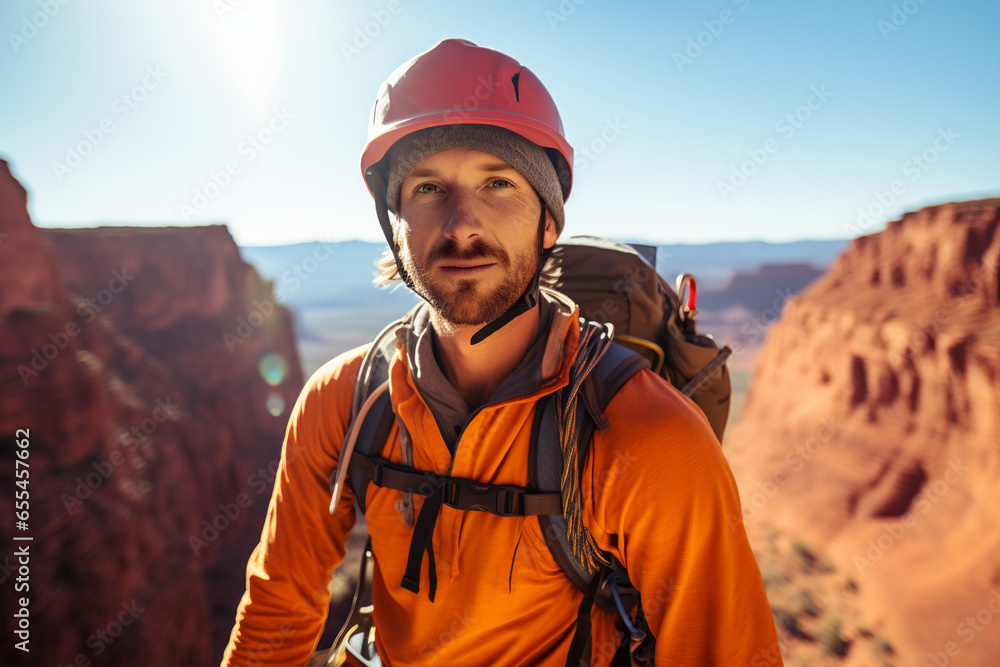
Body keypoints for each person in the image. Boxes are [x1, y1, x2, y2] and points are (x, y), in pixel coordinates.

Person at [222, 38, 781, 667]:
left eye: (500, 184)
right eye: (428, 187)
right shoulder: (342, 401)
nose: (463, 223)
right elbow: (280, 604)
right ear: (393, 221)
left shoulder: (648, 437)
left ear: (549, 222)